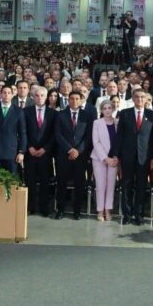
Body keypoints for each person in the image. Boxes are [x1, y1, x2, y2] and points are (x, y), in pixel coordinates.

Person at [116, 89, 153, 225]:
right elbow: (119, 136)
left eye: (142, 97)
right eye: (137, 97)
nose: (140, 99)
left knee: (141, 186)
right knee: (126, 185)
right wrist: (117, 155)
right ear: (133, 99)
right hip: (127, 156)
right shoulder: (124, 113)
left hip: (144, 157)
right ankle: (127, 215)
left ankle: (139, 214)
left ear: (146, 99)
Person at [55, 91, 94, 220]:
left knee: (79, 184)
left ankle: (77, 211)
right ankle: (60, 210)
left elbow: (89, 136)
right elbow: (58, 134)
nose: (74, 101)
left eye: (77, 99)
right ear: (68, 100)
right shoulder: (60, 115)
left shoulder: (87, 116)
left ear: (81, 100)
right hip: (63, 155)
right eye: (72, 98)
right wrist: (69, 149)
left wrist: (78, 150)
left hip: (80, 156)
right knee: (61, 183)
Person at [24, 85, 56, 216]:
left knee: (45, 182)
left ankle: (44, 208)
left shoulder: (53, 113)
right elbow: (23, 131)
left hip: (45, 153)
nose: (39, 98)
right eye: (37, 95)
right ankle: (30, 207)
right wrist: (29, 147)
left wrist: (45, 149)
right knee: (30, 181)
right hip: (30, 152)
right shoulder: (26, 111)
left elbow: (54, 134)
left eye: (42, 95)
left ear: (46, 97)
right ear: (33, 97)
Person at [0, 85, 25, 173]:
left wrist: (21, 152)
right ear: (0, 94)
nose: (6, 95)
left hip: (12, 152)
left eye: (9, 93)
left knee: (12, 179)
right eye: (4, 93)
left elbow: (22, 133)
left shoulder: (18, 111)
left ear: (12, 95)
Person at [90, 100, 118, 222]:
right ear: (101, 110)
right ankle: (100, 210)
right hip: (99, 158)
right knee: (101, 185)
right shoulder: (97, 123)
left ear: (113, 109)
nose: (107, 110)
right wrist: (106, 158)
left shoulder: (118, 122)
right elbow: (95, 142)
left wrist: (116, 157)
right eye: (105, 108)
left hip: (114, 159)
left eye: (109, 108)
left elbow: (120, 141)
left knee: (111, 185)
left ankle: (108, 209)